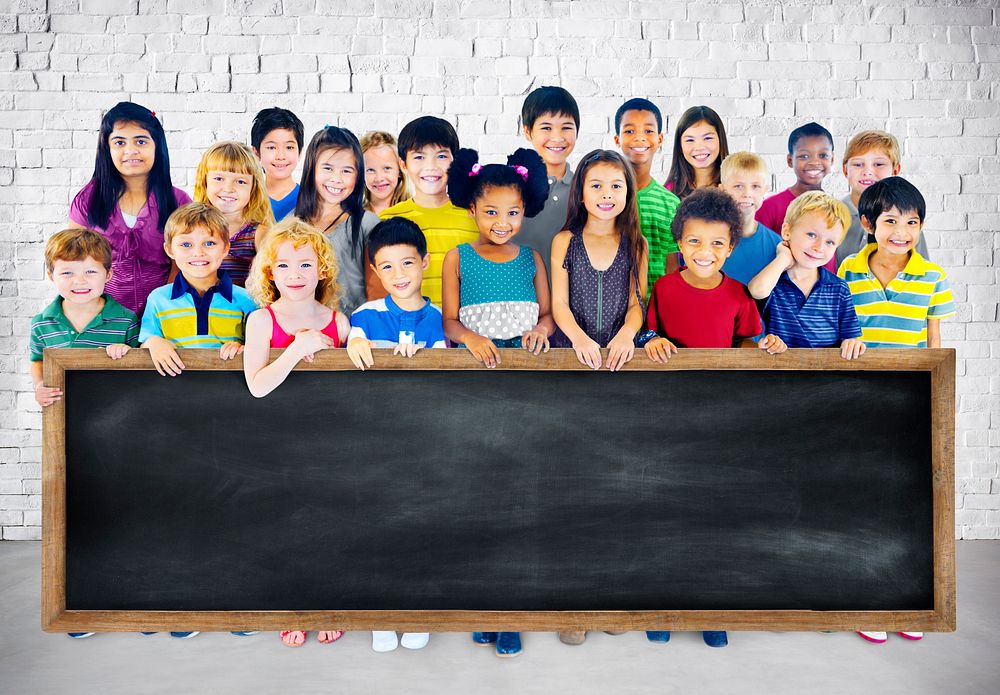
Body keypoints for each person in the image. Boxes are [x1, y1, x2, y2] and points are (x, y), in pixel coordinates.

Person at [68, 101, 190, 317]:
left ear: (157, 146)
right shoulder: (87, 201)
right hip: (102, 318)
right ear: (107, 148)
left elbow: (181, 264)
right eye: (119, 142)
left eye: (141, 141)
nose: (130, 151)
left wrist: (162, 311)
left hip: (163, 316)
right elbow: (74, 261)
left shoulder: (178, 201)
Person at [440, 147, 553, 372]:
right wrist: (471, 338)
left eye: (512, 213)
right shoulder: (457, 258)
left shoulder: (532, 259)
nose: (502, 223)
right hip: (475, 366)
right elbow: (449, 322)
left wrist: (540, 330)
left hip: (528, 365)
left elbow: (547, 315)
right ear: (473, 209)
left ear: (523, 210)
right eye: (491, 212)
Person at [645, 187, 786, 358]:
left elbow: (743, 342)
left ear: (729, 248)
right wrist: (654, 341)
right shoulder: (663, 287)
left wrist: (763, 346)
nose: (705, 252)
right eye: (694, 241)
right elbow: (649, 334)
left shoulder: (739, 293)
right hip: (671, 382)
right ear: (680, 244)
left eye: (717, 243)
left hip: (722, 382)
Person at [550, 150, 649, 376]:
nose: (607, 195)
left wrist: (626, 336)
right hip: (571, 355)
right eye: (596, 186)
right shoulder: (565, 241)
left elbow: (637, 304)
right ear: (581, 194)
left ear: (628, 192)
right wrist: (580, 340)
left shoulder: (637, 244)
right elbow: (560, 303)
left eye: (616, 186)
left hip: (621, 357)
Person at [138, 203, 256, 378]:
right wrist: (153, 342)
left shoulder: (247, 300)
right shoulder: (158, 298)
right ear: (170, 250)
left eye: (209, 243)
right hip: (173, 390)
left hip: (230, 388)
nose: (198, 252)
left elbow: (260, 347)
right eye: (186, 244)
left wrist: (245, 348)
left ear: (225, 248)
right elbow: (146, 342)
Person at [838, 177, 955, 352]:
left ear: (921, 225)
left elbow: (934, 336)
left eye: (911, 222)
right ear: (868, 224)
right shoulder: (849, 269)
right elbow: (842, 323)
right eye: (891, 221)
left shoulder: (934, 277)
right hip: (859, 373)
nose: (902, 232)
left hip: (913, 375)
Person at [747, 191, 865, 359]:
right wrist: (783, 258)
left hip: (826, 375)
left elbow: (850, 337)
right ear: (787, 231)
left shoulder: (838, 288)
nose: (819, 247)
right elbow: (757, 291)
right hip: (781, 373)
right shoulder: (773, 282)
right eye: (811, 235)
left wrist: (852, 343)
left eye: (830, 242)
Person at [30, 228, 138, 410]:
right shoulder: (42, 323)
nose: (79, 281)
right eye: (67, 273)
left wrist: (126, 351)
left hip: (115, 411)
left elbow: (139, 367)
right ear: (51, 276)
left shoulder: (126, 320)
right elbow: (37, 359)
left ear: (108, 275)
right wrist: (39, 386)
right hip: (62, 413)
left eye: (90, 272)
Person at [377, 116, 478, 307]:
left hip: (465, 328)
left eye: (441, 156)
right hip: (412, 329)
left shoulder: (474, 216)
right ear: (403, 165)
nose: (431, 167)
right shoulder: (388, 220)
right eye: (419, 157)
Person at [244, 217, 349, 397]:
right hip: (276, 419)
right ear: (270, 272)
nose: (294, 274)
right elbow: (256, 387)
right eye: (283, 265)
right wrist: (298, 349)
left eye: (306, 264)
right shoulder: (261, 320)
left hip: (329, 416)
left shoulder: (339, 323)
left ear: (322, 270)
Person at [295, 126, 379, 316]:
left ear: (358, 176)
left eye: (347, 171)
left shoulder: (368, 224)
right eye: (328, 168)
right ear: (311, 168)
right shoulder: (291, 224)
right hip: (304, 331)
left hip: (356, 335)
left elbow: (377, 290)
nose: (336, 179)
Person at [347, 218, 446, 372]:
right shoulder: (365, 315)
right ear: (376, 272)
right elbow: (353, 345)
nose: (398, 274)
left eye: (407, 263)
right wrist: (356, 343)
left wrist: (421, 357)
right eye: (387, 267)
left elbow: (444, 368)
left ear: (424, 262)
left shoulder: (440, 319)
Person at [833, 130, 930, 271]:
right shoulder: (831, 215)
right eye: (858, 164)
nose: (868, 171)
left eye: (878, 164)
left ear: (895, 171)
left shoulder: (908, 223)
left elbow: (923, 272)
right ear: (845, 170)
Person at [613, 97, 681, 290]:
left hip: (654, 309)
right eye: (629, 131)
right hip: (611, 309)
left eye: (648, 131)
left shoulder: (671, 203)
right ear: (617, 139)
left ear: (659, 139)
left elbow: (671, 267)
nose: (639, 137)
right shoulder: (604, 198)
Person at [517, 85, 581, 280]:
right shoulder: (510, 187)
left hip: (570, 305)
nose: (557, 137)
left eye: (566, 127)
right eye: (546, 128)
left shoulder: (584, 190)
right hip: (519, 301)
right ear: (528, 132)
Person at [193, 140, 275, 287]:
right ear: (205, 182)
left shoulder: (259, 234)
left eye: (240, 182)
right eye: (218, 178)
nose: (228, 188)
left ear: (253, 188)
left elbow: (270, 284)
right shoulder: (191, 229)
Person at [755, 122, 835, 233]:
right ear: (790, 160)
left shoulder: (835, 209)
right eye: (804, 156)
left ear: (832, 159)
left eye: (823, 155)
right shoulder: (771, 207)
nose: (814, 162)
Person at [717, 152, 782, 286]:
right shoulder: (708, 238)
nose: (747, 194)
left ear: (765, 190)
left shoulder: (776, 245)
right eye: (738, 186)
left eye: (755, 187)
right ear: (722, 190)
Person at [250, 107, 304, 221]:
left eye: (289, 147)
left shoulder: (310, 200)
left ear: (300, 152)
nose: (280, 156)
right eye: (271, 147)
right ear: (256, 153)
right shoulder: (247, 199)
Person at [664, 105, 729, 199]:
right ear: (680, 146)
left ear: (720, 140)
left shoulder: (737, 188)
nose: (699, 147)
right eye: (690, 140)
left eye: (708, 138)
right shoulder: (669, 192)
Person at [360, 130, 410, 215]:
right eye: (370, 170)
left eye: (387, 168)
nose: (379, 178)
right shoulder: (352, 216)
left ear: (400, 170)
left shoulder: (414, 211)